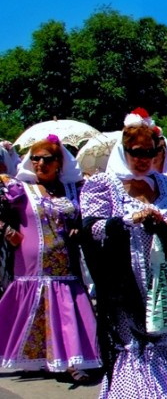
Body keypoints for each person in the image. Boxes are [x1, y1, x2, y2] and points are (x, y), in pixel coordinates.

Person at [80, 108, 167, 398]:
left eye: (150, 152)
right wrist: (128, 221)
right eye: (136, 152)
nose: (143, 160)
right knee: (137, 349)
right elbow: (92, 229)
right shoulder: (103, 186)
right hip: (127, 289)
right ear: (123, 150)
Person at [0, 134, 101, 382]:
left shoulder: (73, 189)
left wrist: (79, 226)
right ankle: (48, 358)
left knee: (65, 311)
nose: (40, 164)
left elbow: (86, 217)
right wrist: (5, 230)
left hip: (65, 263)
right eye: (35, 159)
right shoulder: (19, 188)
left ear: (59, 162)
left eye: (46, 159)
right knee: (34, 309)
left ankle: (71, 360)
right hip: (31, 265)